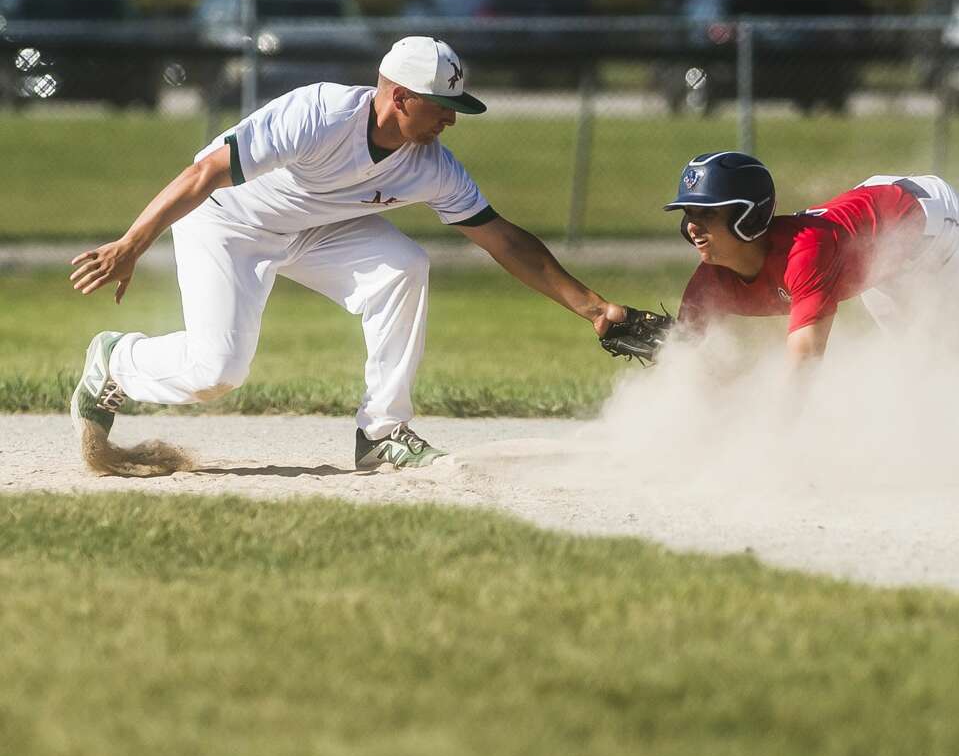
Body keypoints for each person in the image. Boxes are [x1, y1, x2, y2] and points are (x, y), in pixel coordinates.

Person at [69, 36, 627, 471]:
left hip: (317, 229)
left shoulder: (430, 163)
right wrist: (132, 244)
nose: (451, 119)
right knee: (215, 374)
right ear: (400, 97)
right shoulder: (319, 114)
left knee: (405, 267)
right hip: (229, 221)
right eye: (442, 106)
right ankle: (117, 361)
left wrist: (593, 307)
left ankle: (382, 435)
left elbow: (501, 237)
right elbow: (205, 174)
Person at [663, 151, 959, 365]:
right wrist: (621, 319)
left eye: (706, 213)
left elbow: (804, 362)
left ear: (746, 217)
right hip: (880, 256)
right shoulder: (711, 279)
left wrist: (765, 445)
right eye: (689, 214)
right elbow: (682, 349)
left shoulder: (805, 254)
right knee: (920, 362)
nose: (692, 226)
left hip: (929, 225)